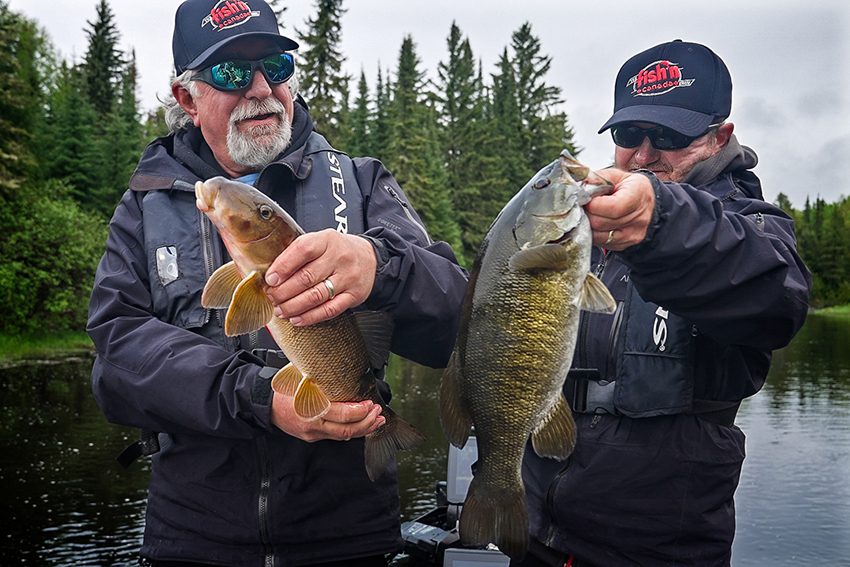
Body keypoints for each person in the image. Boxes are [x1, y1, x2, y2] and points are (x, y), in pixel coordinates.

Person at [86, 1, 468, 565]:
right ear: (187, 99)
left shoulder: (361, 183)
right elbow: (117, 364)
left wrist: (380, 267)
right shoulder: (144, 206)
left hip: (348, 537)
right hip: (195, 538)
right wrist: (260, 399)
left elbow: (457, 325)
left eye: (277, 66)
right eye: (233, 73)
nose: (260, 88)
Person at [515, 40, 811, 567]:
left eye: (669, 136)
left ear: (719, 138)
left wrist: (661, 223)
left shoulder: (751, 224)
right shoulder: (572, 221)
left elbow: (778, 300)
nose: (644, 154)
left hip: (656, 549)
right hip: (534, 533)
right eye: (630, 135)